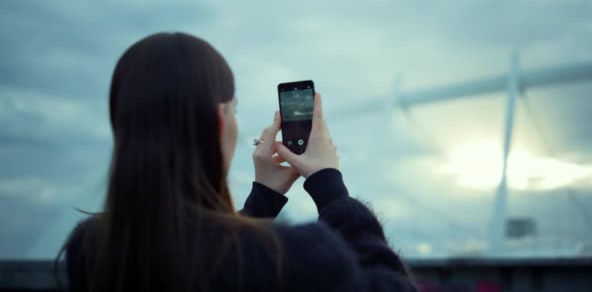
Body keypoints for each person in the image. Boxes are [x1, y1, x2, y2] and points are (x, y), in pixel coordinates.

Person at [59, 32, 418, 291]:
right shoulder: (298, 257)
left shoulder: (92, 250)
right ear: (219, 121)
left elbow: (209, 260)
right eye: (234, 109)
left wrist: (263, 198)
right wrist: (330, 187)